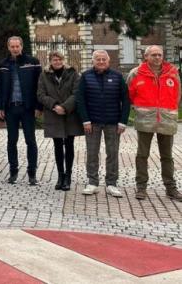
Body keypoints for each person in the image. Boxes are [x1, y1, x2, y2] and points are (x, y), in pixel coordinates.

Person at [127, 45, 182, 201]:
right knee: (142, 155)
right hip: (145, 120)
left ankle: (171, 188)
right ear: (146, 57)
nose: (157, 58)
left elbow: (177, 94)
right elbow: (130, 94)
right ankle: (141, 188)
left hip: (167, 120)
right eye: (154, 55)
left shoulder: (173, 73)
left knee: (167, 157)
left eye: (160, 55)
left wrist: (168, 109)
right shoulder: (136, 73)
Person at [76, 50, 130, 198]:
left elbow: (126, 100)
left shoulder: (118, 76)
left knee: (112, 153)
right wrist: (85, 120)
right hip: (92, 123)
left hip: (113, 123)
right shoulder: (86, 76)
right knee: (92, 153)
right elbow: (80, 99)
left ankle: (111, 183)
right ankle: (92, 182)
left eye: (103, 59)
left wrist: (123, 122)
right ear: (93, 61)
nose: (101, 62)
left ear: (108, 61)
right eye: (98, 59)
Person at [0, 36, 43, 185]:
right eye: (12, 46)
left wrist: (39, 106)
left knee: (31, 141)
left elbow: (39, 86)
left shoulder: (32, 62)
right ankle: (13, 172)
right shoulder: (3, 64)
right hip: (10, 108)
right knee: (11, 141)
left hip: (27, 108)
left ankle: (32, 174)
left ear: (22, 46)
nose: (15, 49)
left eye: (17, 46)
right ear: (8, 47)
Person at [37, 51, 83, 192]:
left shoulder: (73, 73)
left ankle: (68, 176)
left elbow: (77, 93)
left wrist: (65, 107)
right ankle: (60, 176)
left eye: (59, 59)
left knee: (69, 145)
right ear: (50, 61)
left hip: (69, 114)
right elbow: (40, 94)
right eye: (54, 59)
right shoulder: (44, 75)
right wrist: (54, 105)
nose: (57, 62)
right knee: (57, 146)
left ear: (63, 60)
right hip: (53, 114)